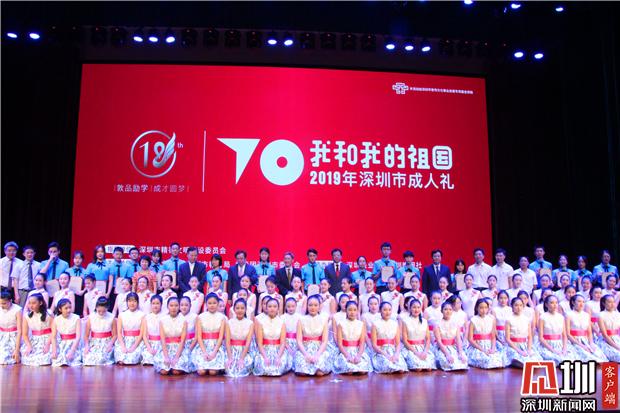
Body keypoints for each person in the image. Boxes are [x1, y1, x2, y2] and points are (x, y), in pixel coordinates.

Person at [294, 295, 332, 376]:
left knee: (319, 373)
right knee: (302, 372)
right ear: (307, 306)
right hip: (304, 349)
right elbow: (299, 340)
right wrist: (306, 354)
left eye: (315, 305)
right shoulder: (301, 320)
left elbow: (325, 341)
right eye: (310, 305)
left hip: (319, 349)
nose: (313, 307)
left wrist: (317, 355)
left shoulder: (323, 320)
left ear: (319, 307)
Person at [254, 297, 291, 376]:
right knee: (264, 368)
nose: (272, 309)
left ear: (278, 309)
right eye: (270, 306)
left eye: (274, 306)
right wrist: (265, 357)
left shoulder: (282, 322)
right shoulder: (261, 322)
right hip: (264, 350)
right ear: (266, 308)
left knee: (278, 368)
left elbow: (283, 343)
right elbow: (259, 343)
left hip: (278, 350)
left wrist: (278, 357)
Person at [536, 295, 577, 365]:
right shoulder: (542, 317)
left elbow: (564, 335)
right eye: (552, 303)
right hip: (547, 345)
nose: (555, 305)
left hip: (559, 344)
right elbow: (541, 338)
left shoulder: (561, 317)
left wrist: (564, 349)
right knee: (556, 359)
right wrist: (553, 350)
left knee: (571, 358)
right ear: (546, 304)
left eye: (556, 303)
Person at [565, 295, 607, 362]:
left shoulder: (586, 315)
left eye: (583, 302)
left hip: (586, 340)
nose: (581, 304)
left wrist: (591, 343)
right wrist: (581, 345)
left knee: (599, 356)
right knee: (588, 357)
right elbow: (568, 334)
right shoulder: (568, 315)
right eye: (579, 301)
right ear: (573, 302)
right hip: (574, 341)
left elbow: (589, 332)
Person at [333, 300, 371, 375]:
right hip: (345, 351)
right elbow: (340, 344)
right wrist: (347, 356)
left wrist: (358, 356)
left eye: (354, 310)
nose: (352, 312)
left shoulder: (361, 324)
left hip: (357, 351)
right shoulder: (341, 324)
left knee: (362, 370)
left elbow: (362, 343)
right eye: (350, 310)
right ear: (346, 311)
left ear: (357, 311)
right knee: (349, 370)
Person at [192, 293, 226, 375]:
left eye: (214, 303)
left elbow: (221, 337)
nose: (212, 305)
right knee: (202, 372)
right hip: (203, 346)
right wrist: (204, 352)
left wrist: (214, 352)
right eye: (209, 303)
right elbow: (199, 336)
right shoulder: (200, 317)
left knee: (212, 372)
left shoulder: (222, 317)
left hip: (216, 346)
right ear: (206, 304)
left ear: (218, 304)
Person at [155, 297, 191, 375]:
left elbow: (182, 340)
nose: (173, 308)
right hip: (166, 348)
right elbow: (162, 340)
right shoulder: (162, 320)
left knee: (176, 371)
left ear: (179, 307)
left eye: (176, 305)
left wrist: (176, 357)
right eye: (171, 305)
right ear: (167, 306)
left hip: (179, 348)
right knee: (164, 371)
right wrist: (166, 356)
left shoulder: (184, 320)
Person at [466, 298, 505, 369]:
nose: (484, 310)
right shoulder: (473, 320)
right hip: (477, 346)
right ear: (477, 308)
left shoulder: (491, 319)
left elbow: (493, 337)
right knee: (486, 360)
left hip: (489, 345)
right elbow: (470, 339)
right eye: (481, 308)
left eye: (485, 308)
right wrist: (482, 350)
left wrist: (492, 349)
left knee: (498, 360)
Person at [505, 297, 543, 367]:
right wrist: (519, 351)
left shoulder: (526, 319)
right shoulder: (509, 320)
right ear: (512, 306)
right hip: (513, 346)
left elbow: (529, 337)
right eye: (516, 305)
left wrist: (529, 349)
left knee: (535, 359)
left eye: (520, 305)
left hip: (524, 345)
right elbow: (507, 339)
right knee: (519, 359)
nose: (518, 308)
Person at [400, 298, 436, 371]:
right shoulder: (405, 321)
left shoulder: (424, 321)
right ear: (410, 308)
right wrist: (416, 353)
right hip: (410, 348)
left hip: (422, 348)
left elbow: (428, 339)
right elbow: (405, 341)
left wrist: (425, 351)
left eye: (418, 307)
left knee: (429, 368)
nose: (416, 310)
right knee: (418, 368)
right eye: (414, 307)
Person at [433, 301, 468, 371]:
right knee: (448, 362)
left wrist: (460, 353)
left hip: (453, 347)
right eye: (445, 309)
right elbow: (439, 341)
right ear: (441, 311)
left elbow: (458, 339)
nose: (448, 311)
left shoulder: (456, 323)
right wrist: (447, 354)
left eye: (450, 309)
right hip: (442, 348)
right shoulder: (437, 324)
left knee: (463, 361)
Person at [225, 298, 255, 377]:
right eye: (237, 308)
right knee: (230, 369)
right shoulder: (229, 323)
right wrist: (230, 357)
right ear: (234, 309)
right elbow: (227, 342)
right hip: (231, 351)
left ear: (245, 310)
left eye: (242, 308)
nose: (240, 310)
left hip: (245, 351)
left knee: (241, 370)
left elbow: (248, 342)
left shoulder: (250, 323)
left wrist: (241, 358)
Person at [20, 293, 53, 366]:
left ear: (40, 303)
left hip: (48, 339)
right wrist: (29, 346)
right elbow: (25, 334)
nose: (31, 305)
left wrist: (47, 344)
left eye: (33, 303)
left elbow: (53, 331)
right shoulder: (27, 316)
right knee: (28, 356)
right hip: (34, 340)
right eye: (29, 303)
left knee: (45, 357)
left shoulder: (49, 314)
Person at [83, 297, 116, 366]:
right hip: (94, 342)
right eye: (99, 311)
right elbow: (86, 335)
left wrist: (110, 344)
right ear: (96, 308)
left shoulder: (111, 317)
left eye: (104, 311)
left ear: (107, 308)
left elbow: (115, 335)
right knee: (88, 358)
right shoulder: (91, 317)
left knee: (101, 358)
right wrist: (86, 346)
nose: (101, 313)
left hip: (106, 342)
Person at [114, 292, 145, 365]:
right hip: (124, 340)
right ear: (127, 302)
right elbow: (119, 332)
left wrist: (133, 347)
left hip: (137, 341)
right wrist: (123, 346)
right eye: (130, 301)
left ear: (137, 302)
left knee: (131, 359)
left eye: (134, 301)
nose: (132, 303)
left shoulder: (142, 315)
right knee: (121, 358)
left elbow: (141, 333)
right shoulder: (122, 315)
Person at [50, 298, 81, 367]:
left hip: (73, 343)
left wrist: (72, 351)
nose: (69, 310)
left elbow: (78, 336)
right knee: (58, 361)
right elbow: (53, 337)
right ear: (60, 309)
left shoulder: (76, 318)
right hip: (62, 343)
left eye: (70, 307)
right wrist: (54, 350)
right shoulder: (56, 319)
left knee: (71, 360)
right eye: (66, 308)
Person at [0, 291, 22, 365]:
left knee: (5, 358)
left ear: (10, 301)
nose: (1, 306)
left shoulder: (17, 310)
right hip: (2, 336)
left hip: (13, 337)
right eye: (0, 303)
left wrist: (17, 350)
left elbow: (20, 331)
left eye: (4, 303)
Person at [597, 294, 620, 362]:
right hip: (606, 341)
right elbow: (605, 335)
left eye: (613, 302)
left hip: (617, 338)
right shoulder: (601, 315)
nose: (612, 304)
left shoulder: (618, 314)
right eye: (609, 302)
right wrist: (617, 347)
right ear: (604, 303)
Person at [141, 295, 163, 365]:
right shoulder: (146, 317)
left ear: (161, 304)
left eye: (157, 303)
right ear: (150, 304)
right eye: (153, 303)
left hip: (161, 344)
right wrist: (149, 348)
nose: (155, 306)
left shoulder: (165, 317)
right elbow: (144, 336)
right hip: (150, 343)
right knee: (148, 359)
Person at [179, 296, 197, 373]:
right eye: (182, 305)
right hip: (179, 344)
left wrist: (190, 348)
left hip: (192, 343)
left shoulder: (195, 317)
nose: (184, 307)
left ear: (190, 305)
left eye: (186, 305)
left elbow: (197, 335)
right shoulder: (177, 316)